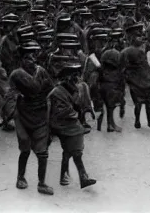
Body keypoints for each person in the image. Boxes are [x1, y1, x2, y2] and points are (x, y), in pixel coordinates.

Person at [9, 39, 54, 195]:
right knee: (25, 148)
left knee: (42, 152)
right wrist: (16, 102)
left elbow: (51, 89)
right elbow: (11, 94)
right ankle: (20, 177)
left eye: (34, 56)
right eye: (28, 57)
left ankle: (42, 183)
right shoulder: (16, 75)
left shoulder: (41, 71)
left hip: (40, 114)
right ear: (21, 60)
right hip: (22, 115)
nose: (32, 60)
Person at [47, 59, 96, 189]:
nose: (77, 80)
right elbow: (57, 112)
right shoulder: (57, 92)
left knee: (69, 152)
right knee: (75, 152)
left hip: (72, 124)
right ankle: (82, 177)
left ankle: (65, 176)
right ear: (67, 78)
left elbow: (77, 106)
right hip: (62, 126)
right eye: (74, 77)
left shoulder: (73, 89)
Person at [120, 23, 150, 129]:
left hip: (142, 80)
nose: (140, 38)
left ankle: (144, 121)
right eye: (137, 36)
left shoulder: (131, 50)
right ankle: (142, 121)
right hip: (139, 80)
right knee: (141, 102)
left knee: (144, 102)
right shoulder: (131, 50)